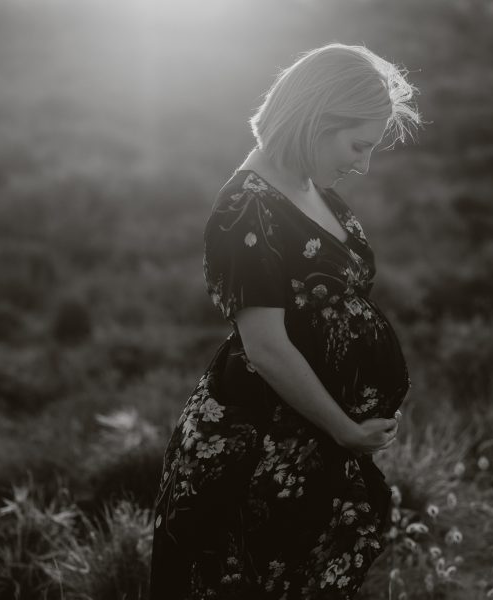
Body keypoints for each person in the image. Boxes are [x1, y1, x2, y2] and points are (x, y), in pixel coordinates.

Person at [149, 42, 421, 599]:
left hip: (307, 439)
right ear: (317, 119)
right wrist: (345, 429)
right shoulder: (245, 207)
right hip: (256, 450)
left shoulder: (308, 185)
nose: (364, 165)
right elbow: (266, 347)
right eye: (358, 145)